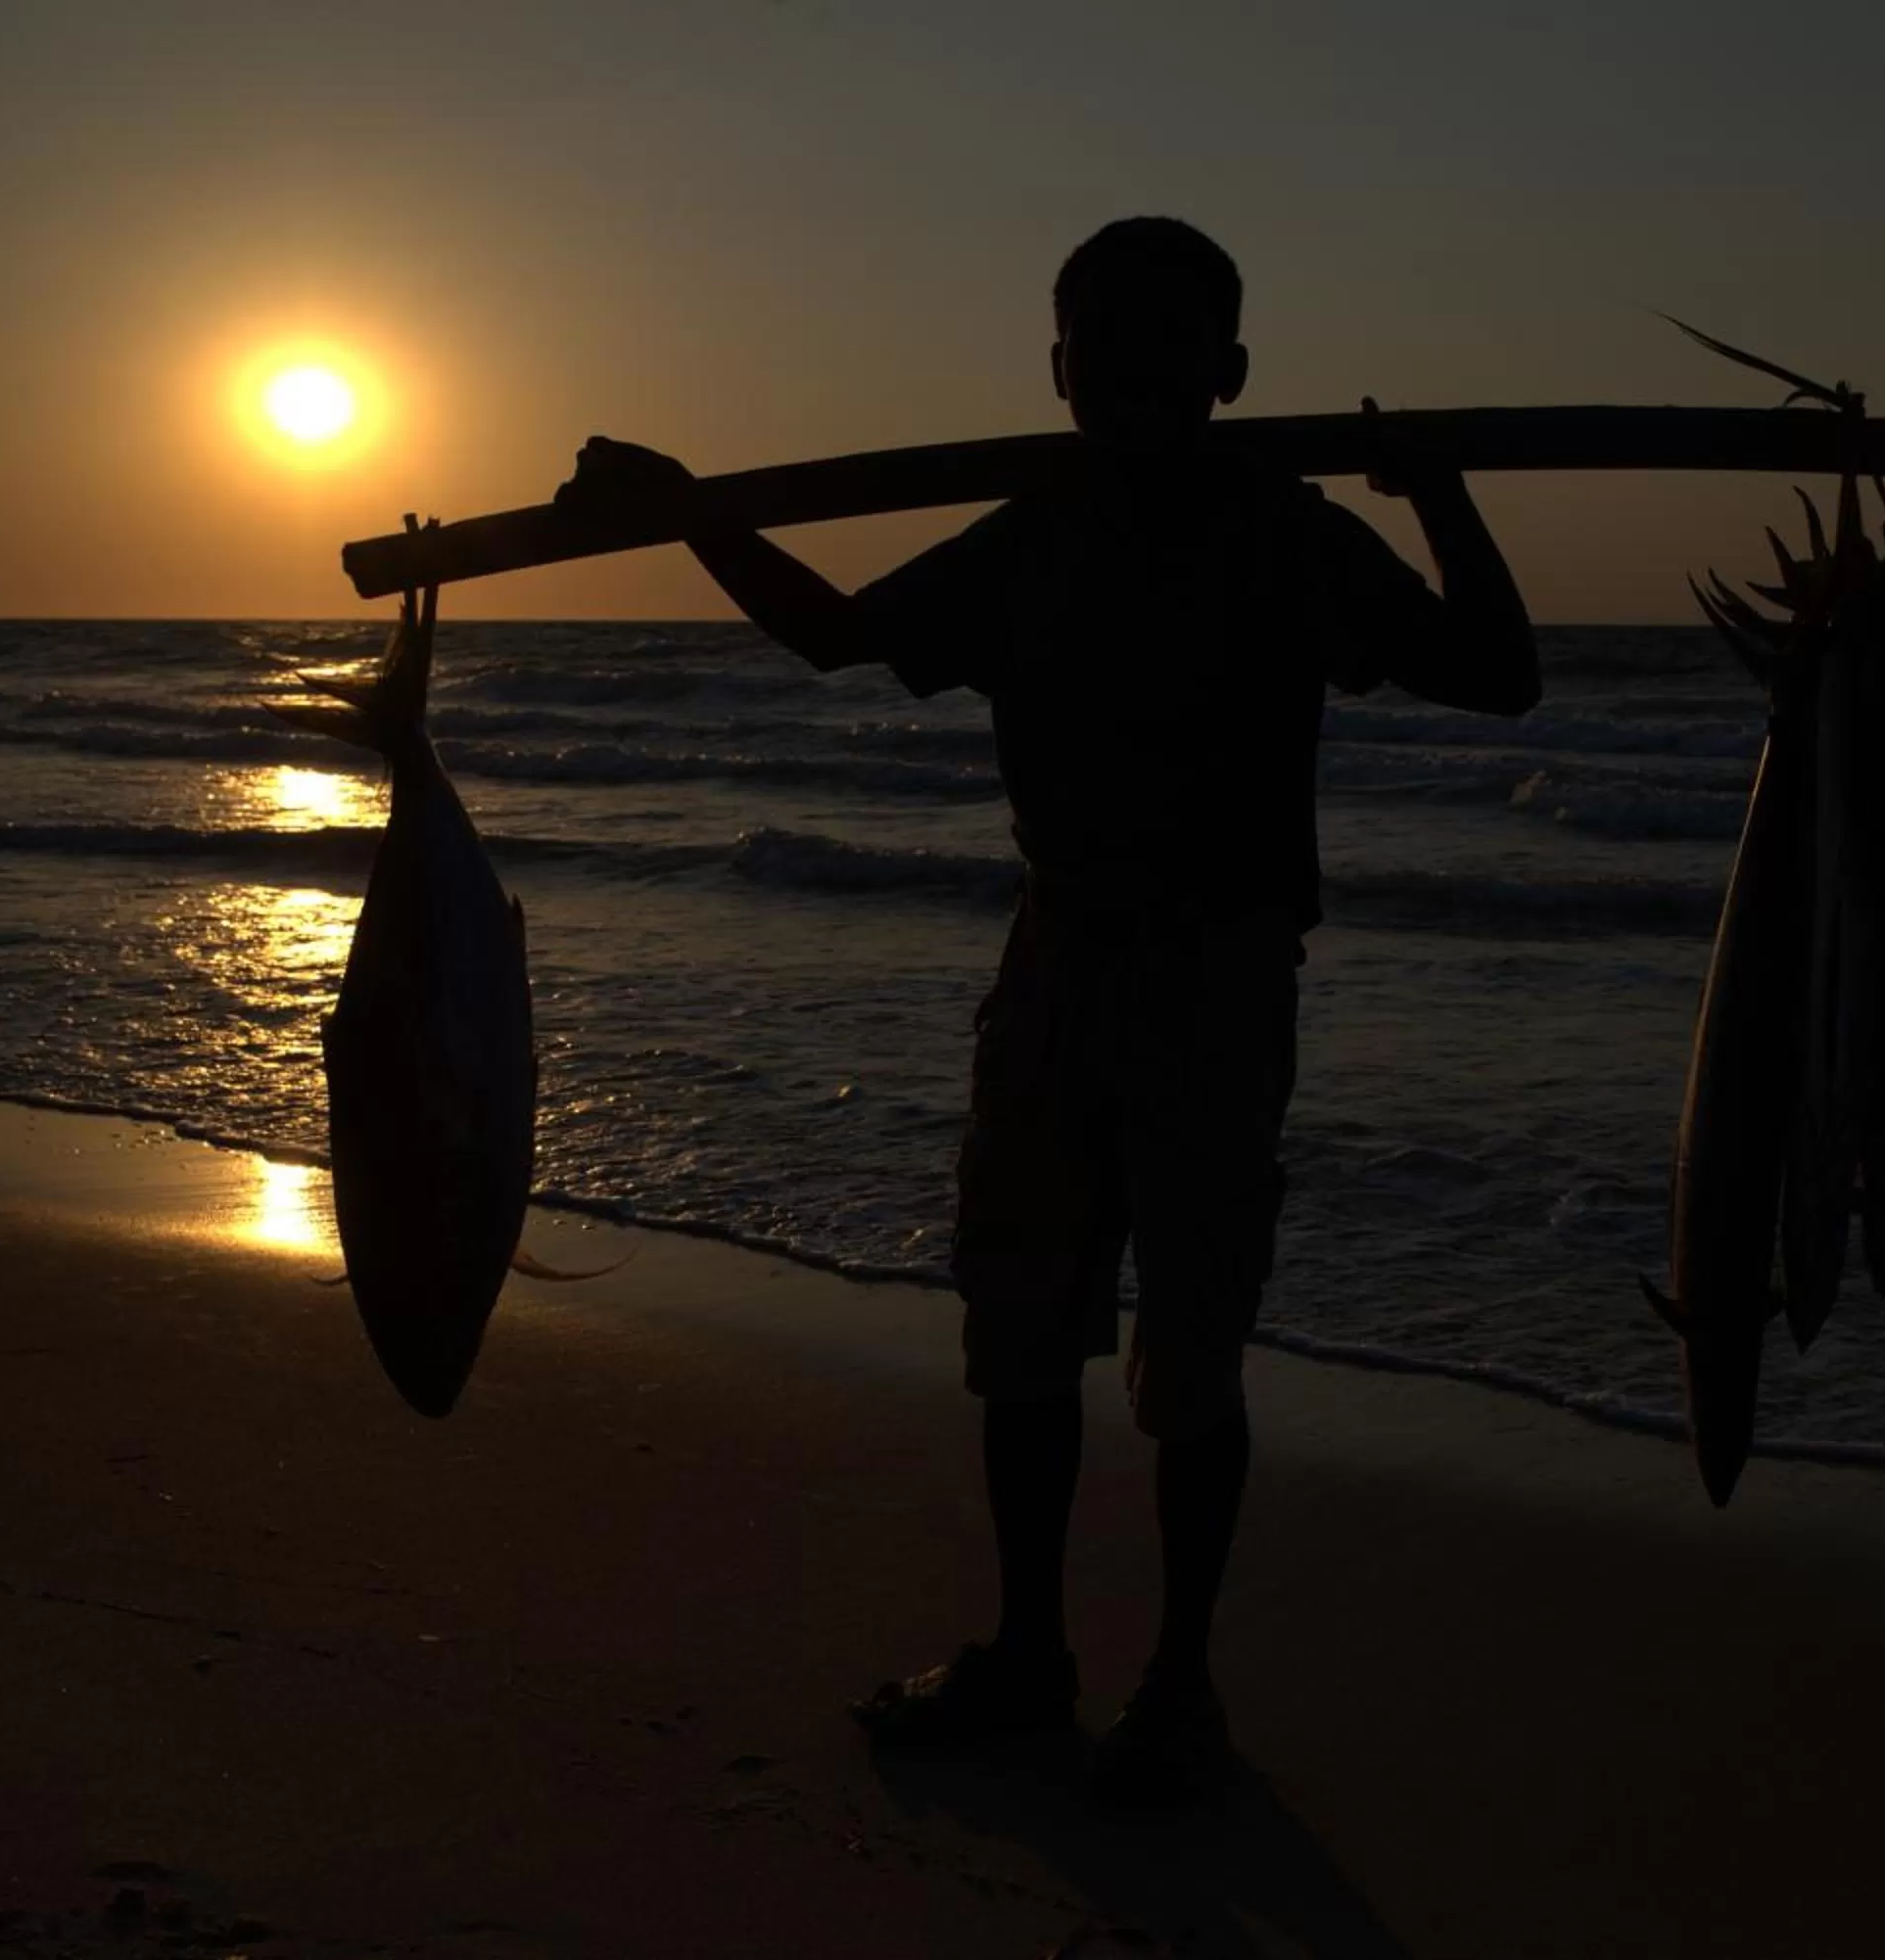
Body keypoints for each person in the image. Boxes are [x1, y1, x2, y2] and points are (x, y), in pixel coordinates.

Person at [560, 215, 1537, 1800]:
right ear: (1059, 365)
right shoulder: (1035, 536)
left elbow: (1502, 677)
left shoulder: (1285, 536)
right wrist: (693, 510)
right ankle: (1029, 1649)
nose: (1134, 371)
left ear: (1226, 372)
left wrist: (1435, 493)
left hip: (1221, 973)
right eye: (1102, 341)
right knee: (1019, 1321)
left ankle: (1181, 1679)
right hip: (1055, 957)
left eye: (1170, 345)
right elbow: (837, 637)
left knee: (1195, 1343)